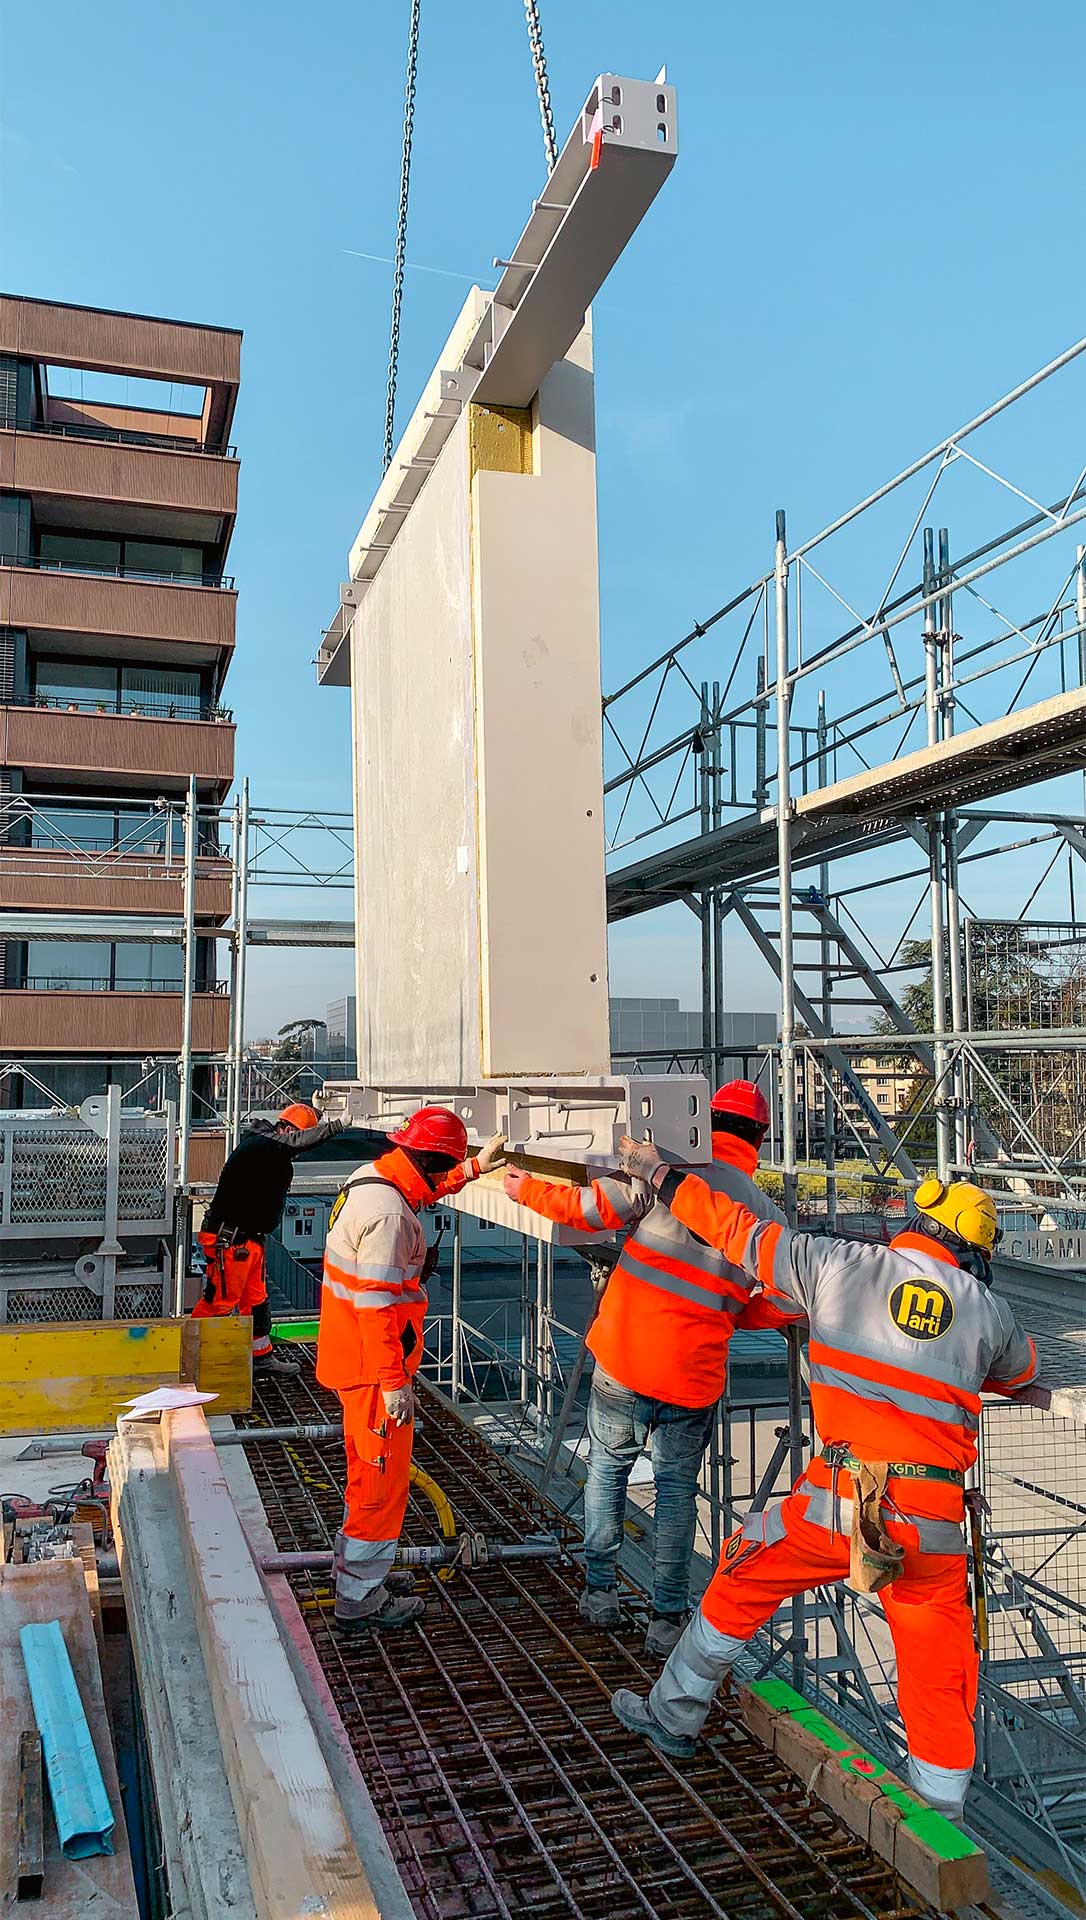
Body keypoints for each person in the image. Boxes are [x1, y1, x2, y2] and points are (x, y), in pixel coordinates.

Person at [608, 1141, 1046, 1822]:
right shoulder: (989, 1310)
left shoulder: (833, 1262)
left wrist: (659, 1174)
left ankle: (674, 1715)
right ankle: (938, 1832)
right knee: (938, 1671)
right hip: (929, 1521)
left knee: (741, 1579)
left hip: (838, 1503)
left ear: (912, 1224)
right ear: (972, 1255)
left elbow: (735, 1229)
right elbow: (1021, 1377)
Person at [503, 1081, 784, 1657]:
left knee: (606, 1474)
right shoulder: (765, 1214)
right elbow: (789, 1297)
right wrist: (729, 1313)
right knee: (677, 1496)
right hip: (692, 1376)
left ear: (706, 1121)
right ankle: (666, 1621)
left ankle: (599, 1595)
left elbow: (587, 1211)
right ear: (759, 1138)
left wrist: (522, 1187)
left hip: (625, 1358)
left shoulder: (665, 1174)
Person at [316, 1106, 506, 1632]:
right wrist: (394, 1383)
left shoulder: (373, 1179)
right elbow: (377, 1308)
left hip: (352, 1358)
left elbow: (418, 1190)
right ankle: (359, 1600)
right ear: (429, 1158)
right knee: (379, 1486)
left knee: (366, 1477)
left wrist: (472, 1169)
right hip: (372, 1370)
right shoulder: (391, 1218)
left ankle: (360, 1575)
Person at [194, 1101, 344, 1374]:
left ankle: (260, 1357)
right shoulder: (261, 1144)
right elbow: (296, 1143)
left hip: (248, 1240)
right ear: (286, 1129)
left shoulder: (271, 1150)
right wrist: (337, 1126)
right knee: (220, 1301)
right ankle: (197, 1362)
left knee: (256, 1301)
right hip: (230, 1241)